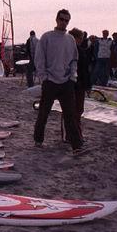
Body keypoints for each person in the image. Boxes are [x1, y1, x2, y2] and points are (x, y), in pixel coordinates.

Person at [33, 9, 82, 154]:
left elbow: (74, 59)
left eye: (67, 20)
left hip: (66, 82)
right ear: (56, 19)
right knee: (44, 112)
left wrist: (72, 77)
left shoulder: (70, 39)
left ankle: (76, 145)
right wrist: (44, 77)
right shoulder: (47, 37)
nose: (64, 22)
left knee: (70, 115)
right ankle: (38, 139)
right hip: (50, 82)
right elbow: (39, 58)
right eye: (62, 19)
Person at [68, 28, 90, 143]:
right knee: (73, 110)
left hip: (78, 83)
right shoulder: (71, 51)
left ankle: (75, 134)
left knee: (77, 110)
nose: (82, 40)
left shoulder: (79, 50)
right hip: (74, 84)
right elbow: (83, 69)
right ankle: (73, 134)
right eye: (80, 38)